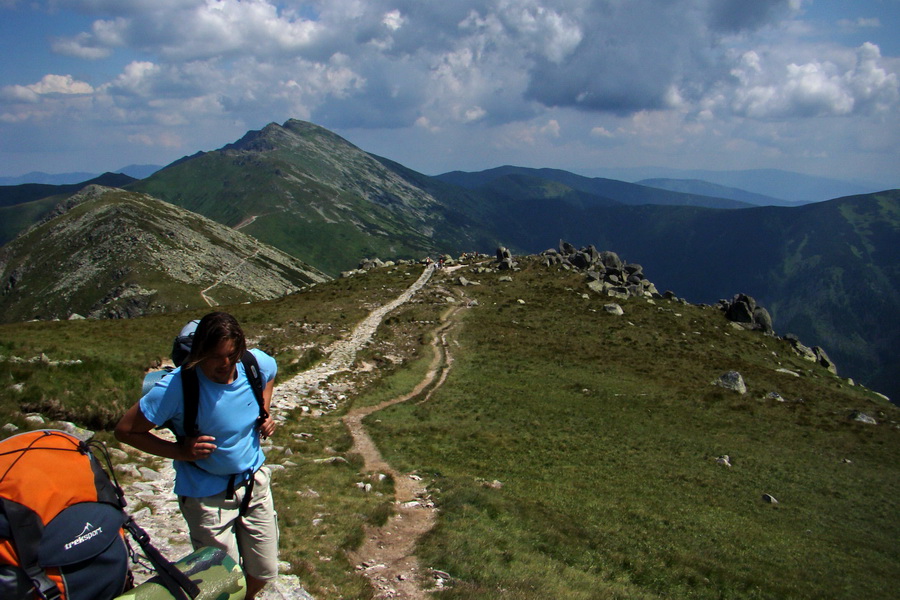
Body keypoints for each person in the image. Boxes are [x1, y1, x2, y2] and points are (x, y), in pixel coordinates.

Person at [115, 311, 279, 600]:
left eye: (232, 354)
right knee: (222, 578)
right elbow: (126, 430)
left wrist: (264, 411)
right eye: (216, 356)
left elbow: (270, 373)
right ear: (200, 353)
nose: (225, 364)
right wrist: (180, 451)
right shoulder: (178, 386)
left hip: (254, 483)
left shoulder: (253, 363)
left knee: (263, 570)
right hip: (206, 495)